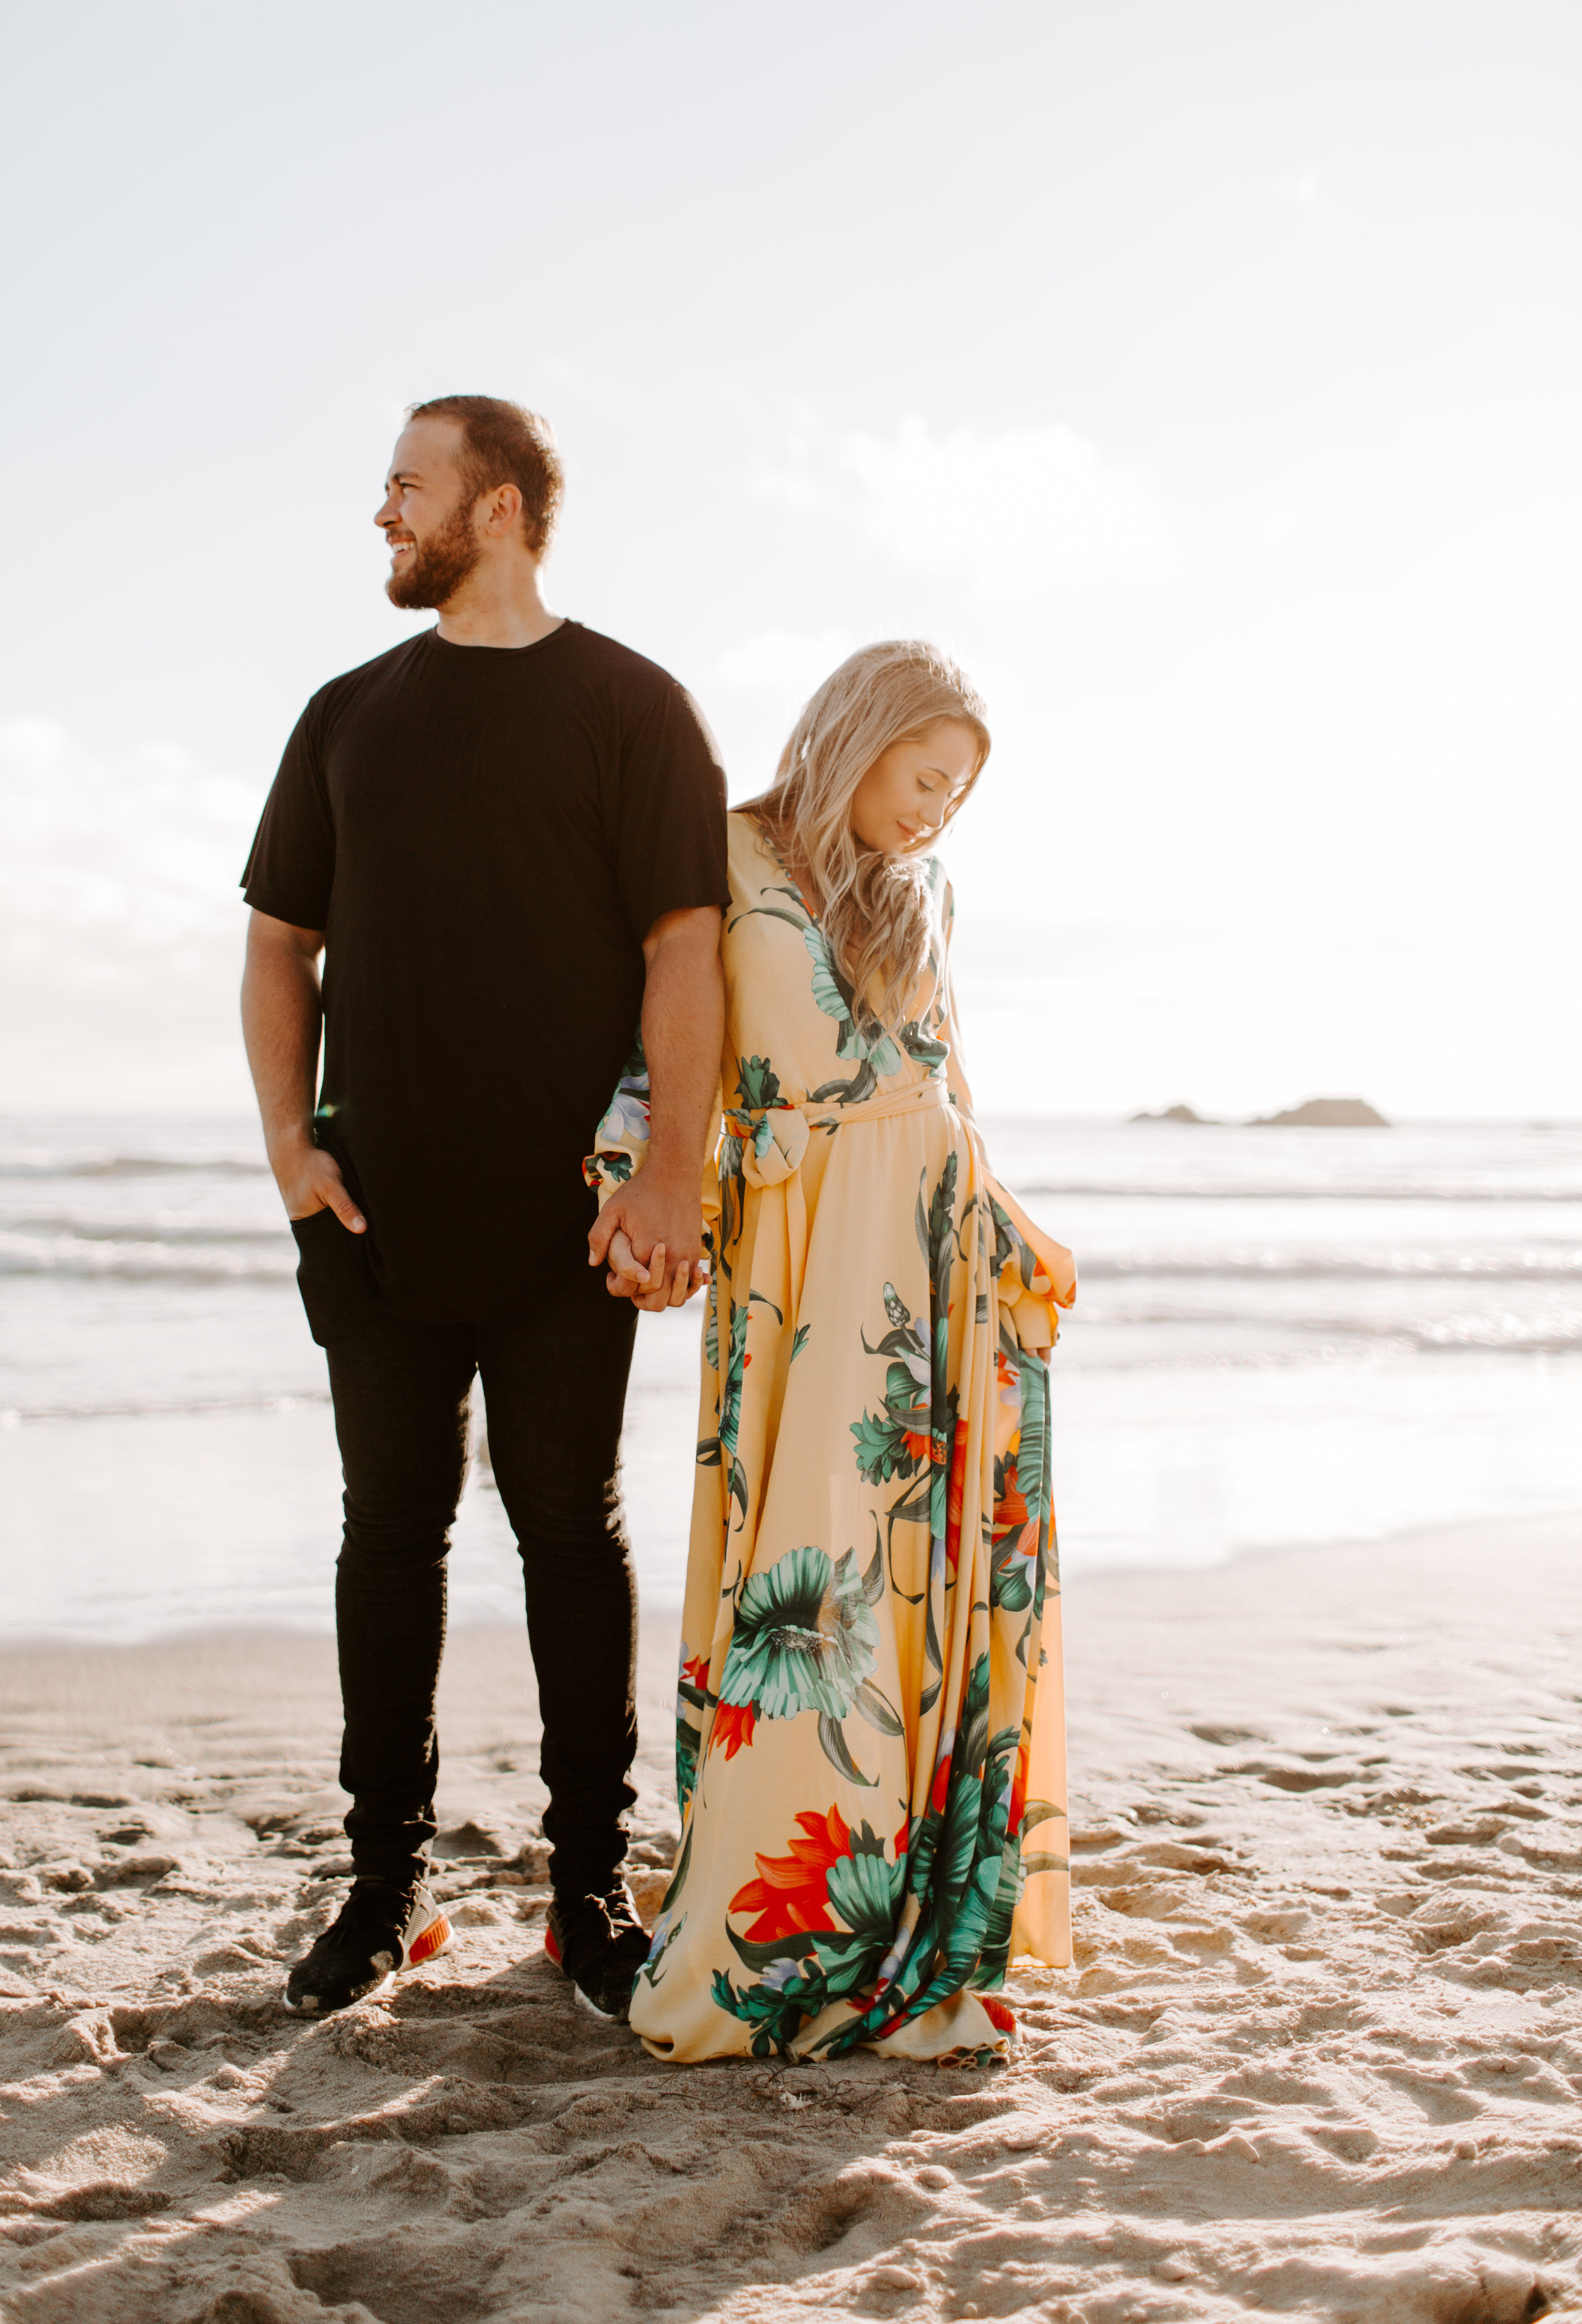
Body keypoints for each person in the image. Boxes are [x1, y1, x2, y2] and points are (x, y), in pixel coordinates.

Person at [240, 394, 726, 2021]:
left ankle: (583, 1887)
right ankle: (383, 1890)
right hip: (373, 1213)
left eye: (406, 485)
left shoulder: (630, 706)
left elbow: (684, 948)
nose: (381, 512)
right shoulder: (344, 715)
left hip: (564, 1223)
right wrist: (288, 1153)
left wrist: (666, 1175)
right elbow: (274, 948)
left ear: (498, 507)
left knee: (565, 1535)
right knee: (388, 1541)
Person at [587, 640, 1076, 2060]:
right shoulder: (726, 854)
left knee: (913, 1591)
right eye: (920, 777)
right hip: (802, 1264)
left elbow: (942, 1083)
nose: (931, 814)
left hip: (933, 1257)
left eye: (955, 796)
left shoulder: (915, 898)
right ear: (854, 735)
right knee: (806, 1595)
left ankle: (910, 1925)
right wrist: (630, 1183)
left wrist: (1015, 1223)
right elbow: (656, 1046)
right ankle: (764, 1932)